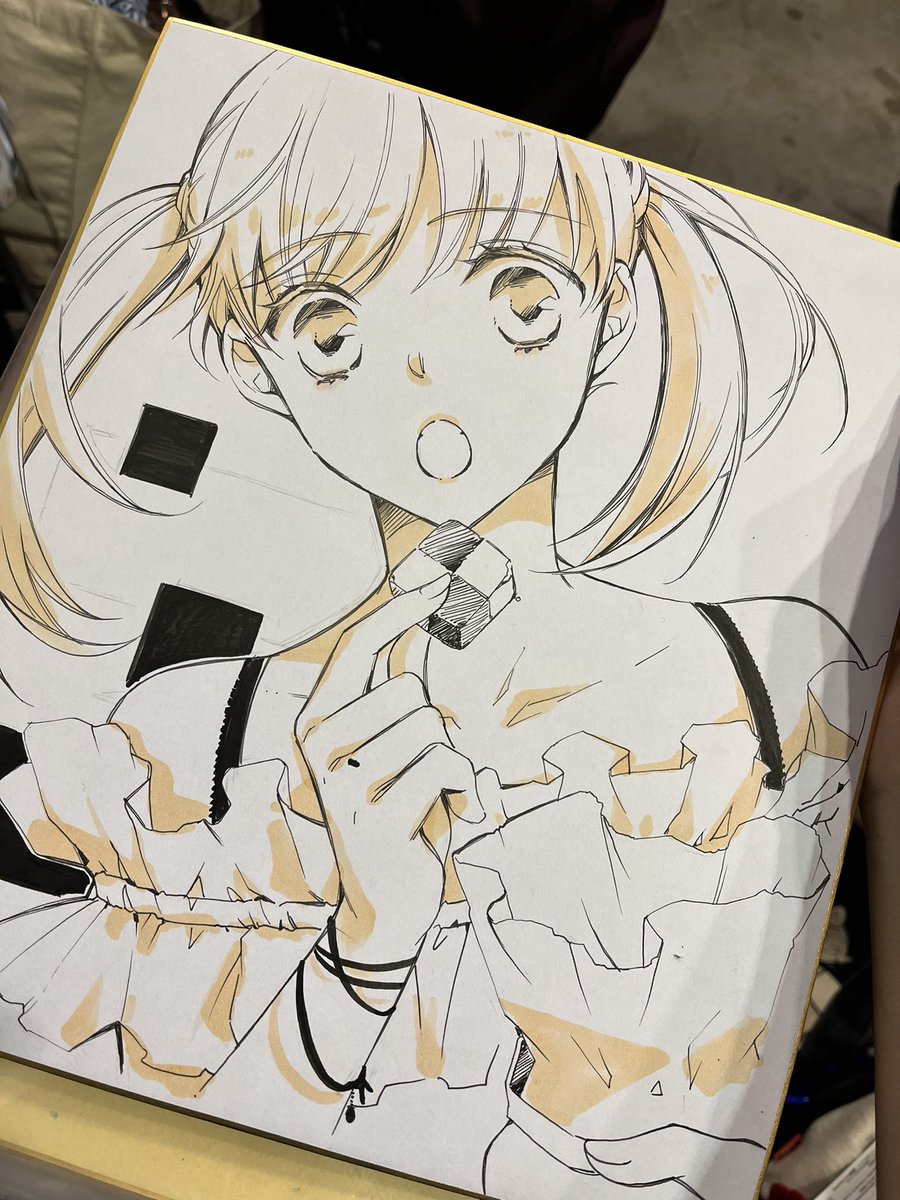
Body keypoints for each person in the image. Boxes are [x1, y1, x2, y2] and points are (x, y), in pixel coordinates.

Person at [0, 52, 880, 1199]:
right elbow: (144, 1091)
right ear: (256, 367)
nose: (428, 371)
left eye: (521, 295)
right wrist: (367, 939)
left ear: (611, 307)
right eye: (327, 325)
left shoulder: (769, 681)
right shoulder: (191, 739)